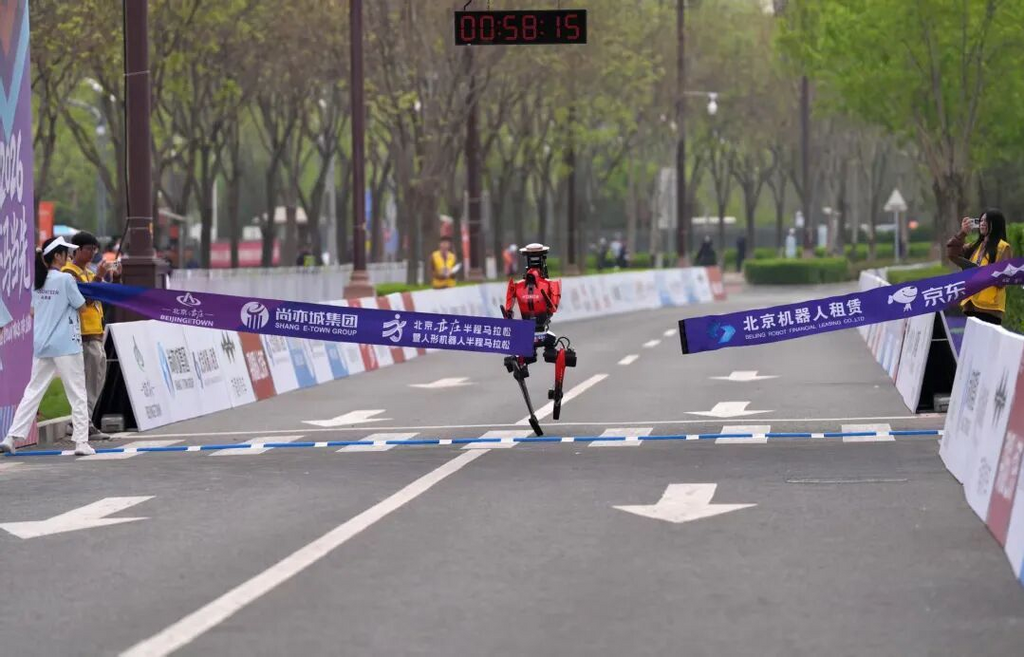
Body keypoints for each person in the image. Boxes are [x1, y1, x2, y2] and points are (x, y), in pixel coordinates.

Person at [1, 237, 95, 456]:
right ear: (57, 256)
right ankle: (81, 442)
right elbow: (82, 307)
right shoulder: (66, 279)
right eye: (66, 254)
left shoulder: (38, 281)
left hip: (42, 345)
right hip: (66, 345)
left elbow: (33, 312)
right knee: (77, 393)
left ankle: (11, 437)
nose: (68, 257)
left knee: (33, 392)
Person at [64, 232, 115, 441]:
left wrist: (113, 278)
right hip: (83, 335)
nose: (92, 253)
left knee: (95, 380)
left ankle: (83, 421)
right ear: (76, 250)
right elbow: (84, 300)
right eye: (88, 249)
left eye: (94, 249)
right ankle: (81, 424)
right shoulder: (69, 274)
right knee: (88, 382)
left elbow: (101, 297)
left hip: (95, 333)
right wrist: (99, 277)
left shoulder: (87, 272)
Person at [946, 209, 1013, 325]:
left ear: (996, 224)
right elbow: (952, 254)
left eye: (986, 221)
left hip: (990, 309)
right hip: (970, 305)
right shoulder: (975, 246)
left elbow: (1003, 280)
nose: (982, 223)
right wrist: (962, 233)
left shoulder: (1003, 247)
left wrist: (982, 274)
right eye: (981, 220)